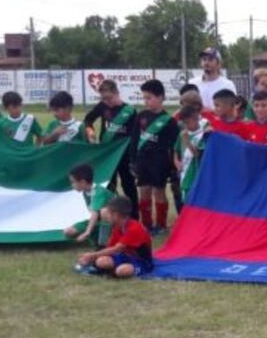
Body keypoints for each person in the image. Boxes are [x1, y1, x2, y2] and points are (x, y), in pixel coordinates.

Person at [83, 79, 138, 216]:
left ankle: (134, 216)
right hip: (108, 154)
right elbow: (88, 120)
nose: (107, 102)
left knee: (129, 186)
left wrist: (133, 157)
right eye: (103, 99)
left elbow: (135, 135)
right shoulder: (102, 107)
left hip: (124, 155)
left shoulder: (130, 111)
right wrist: (90, 132)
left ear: (117, 93)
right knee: (108, 186)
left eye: (109, 98)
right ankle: (111, 215)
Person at [135, 79, 178, 233]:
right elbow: (134, 139)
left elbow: (174, 145)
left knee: (158, 191)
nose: (146, 101)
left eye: (149, 98)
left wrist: (173, 166)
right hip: (142, 161)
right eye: (144, 98)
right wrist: (132, 159)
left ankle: (160, 225)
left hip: (160, 162)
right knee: (144, 190)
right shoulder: (141, 116)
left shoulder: (169, 121)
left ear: (160, 97)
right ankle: (146, 224)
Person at [75, 196, 153, 278]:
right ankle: (105, 270)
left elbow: (117, 249)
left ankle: (110, 272)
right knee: (101, 261)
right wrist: (92, 258)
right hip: (124, 256)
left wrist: (92, 255)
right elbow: (109, 248)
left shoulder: (134, 228)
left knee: (122, 271)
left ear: (116, 215)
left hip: (141, 261)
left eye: (108, 213)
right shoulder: (118, 227)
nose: (106, 216)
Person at [64, 163, 114, 247]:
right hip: (98, 221)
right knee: (68, 231)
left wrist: (88, 231)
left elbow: (95, 214)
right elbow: (92, 213)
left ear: (83, 182)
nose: (72, 185)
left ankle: (103, 244)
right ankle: (96, 241)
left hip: (112, 221)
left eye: (73, 182)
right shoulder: (85, 193)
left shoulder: (99, 192)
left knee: (103, 212)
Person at [173, 104, 212, 206]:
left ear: (196, 119)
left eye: (188, 122)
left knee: (197, 204)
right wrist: (176, 162)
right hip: (184, 175)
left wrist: (187, 142)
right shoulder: (182, 134)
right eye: (183, 123)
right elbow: (176, 150)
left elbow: (198, 154)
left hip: (196, 175)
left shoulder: (202, 135)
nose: (186, 126)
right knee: (186, 203)